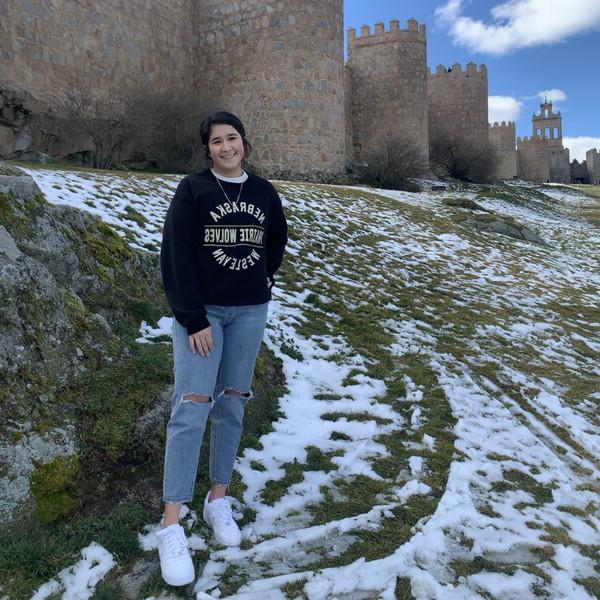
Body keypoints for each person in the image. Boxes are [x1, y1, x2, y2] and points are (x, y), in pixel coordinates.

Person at [156, 111, 288, 586]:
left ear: (244, 143)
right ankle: (171, 522)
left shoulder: (263, 192)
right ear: (207, 149)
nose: (226, 147)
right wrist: (192, 318)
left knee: (232, 402)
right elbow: (176, 253)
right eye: (217, 141)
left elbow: (275, 239)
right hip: (204, 313)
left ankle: (217, 499)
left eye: (233, 138)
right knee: (192, 405)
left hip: (250, 311)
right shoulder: (194, 190)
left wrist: (265, 275)